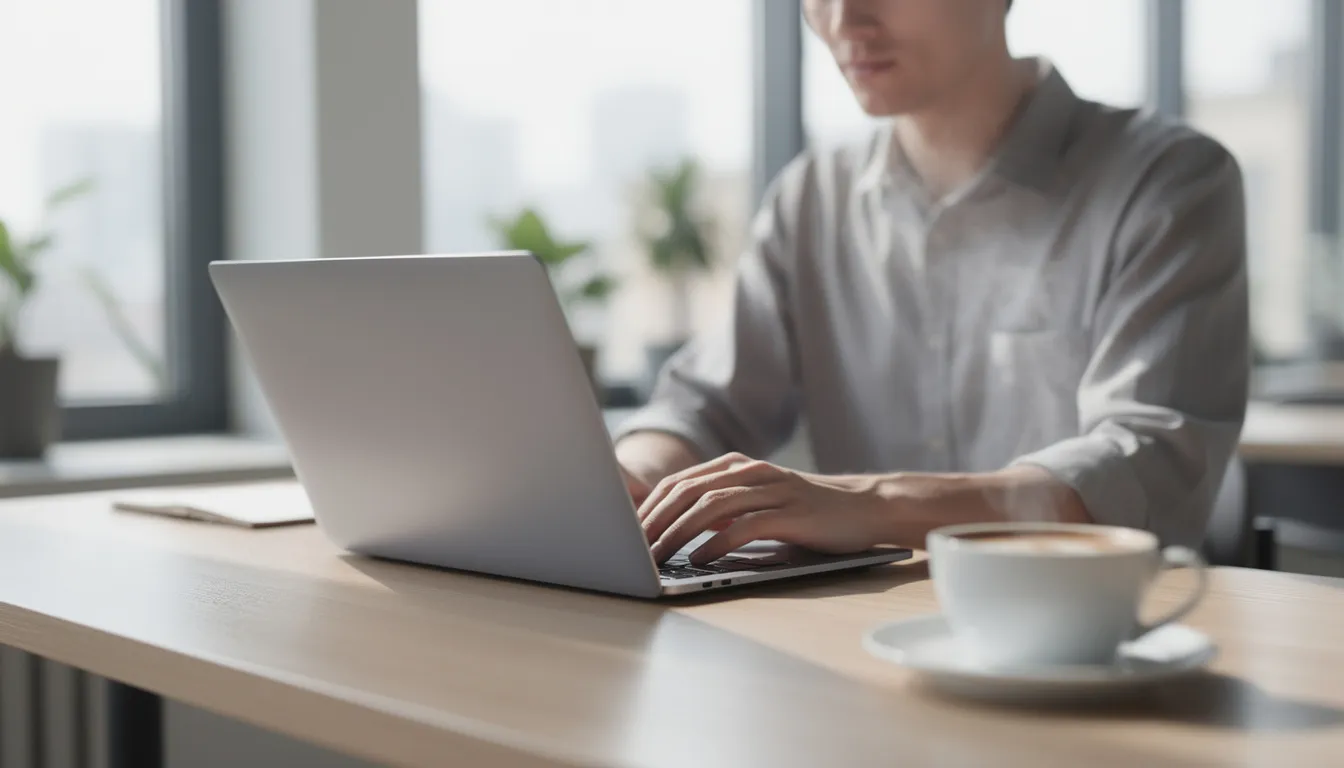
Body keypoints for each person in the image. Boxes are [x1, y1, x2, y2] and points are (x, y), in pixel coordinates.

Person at [614, 0, 1249, 566]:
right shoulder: (811, 198)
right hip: (857, 643)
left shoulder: (1168, 182)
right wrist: (632, 477)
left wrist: (870, 503)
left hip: (1095, 643)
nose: (844, 21)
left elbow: (1145, 464)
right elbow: (705, 405)